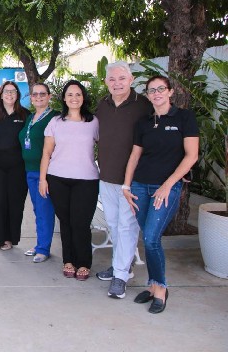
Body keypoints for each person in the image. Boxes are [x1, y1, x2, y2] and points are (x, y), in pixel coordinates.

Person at [123, 75, 199, 314]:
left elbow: (191, 155)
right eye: (151, 90)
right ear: (147, 95)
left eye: (160, 89)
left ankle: (161, 289)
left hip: (166, 188)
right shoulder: (143, 123)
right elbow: (135, 156)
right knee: (148, 237)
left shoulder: (184, 117)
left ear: (170, 91)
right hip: (139, 187)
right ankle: (153, 285)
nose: (156, 93)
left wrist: (167, 185)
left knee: (151, 239)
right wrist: (126, 187)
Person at [95, 61, 152, 299]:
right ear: (106, 82)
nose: (117, 83)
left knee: (127, 227)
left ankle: (120, 277)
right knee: (114, 224)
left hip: (133, 180)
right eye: (112, 79)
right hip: (107, 176)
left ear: (131, 80)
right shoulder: (103, 105)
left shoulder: (144, 105)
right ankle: (123, 266)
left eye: (121, 78)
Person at [39, 80, 99, 281]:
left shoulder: (94, 122)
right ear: (64, 98)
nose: (74, 98)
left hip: (86, 180)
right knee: (65, 222)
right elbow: (46, 153)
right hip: (58, 179)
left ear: (83, 98)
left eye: (78, 94)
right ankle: (69, 261)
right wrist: (42, 179)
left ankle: (84, 262)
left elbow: (107, 148)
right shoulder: (55, 122)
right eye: (70, 94)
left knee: (81, 222)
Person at [19, 83, 59, 263]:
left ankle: (43, 249)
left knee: (44, 210)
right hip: (30, 170)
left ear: (49, 96)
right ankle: (40, 243)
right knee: (38, 210)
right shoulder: (30, 117)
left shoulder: (55, 117)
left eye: (42, 94)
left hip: (45, 172)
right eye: (35, 94)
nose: (38, 97)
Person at [0, 81, 29, 251]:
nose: (10, 94)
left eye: (13, 91)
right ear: (1, 94)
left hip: (18, 167)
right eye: (6, 91)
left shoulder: (25, 115)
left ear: (17, 95)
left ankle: (10, 239)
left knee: (15, 204)